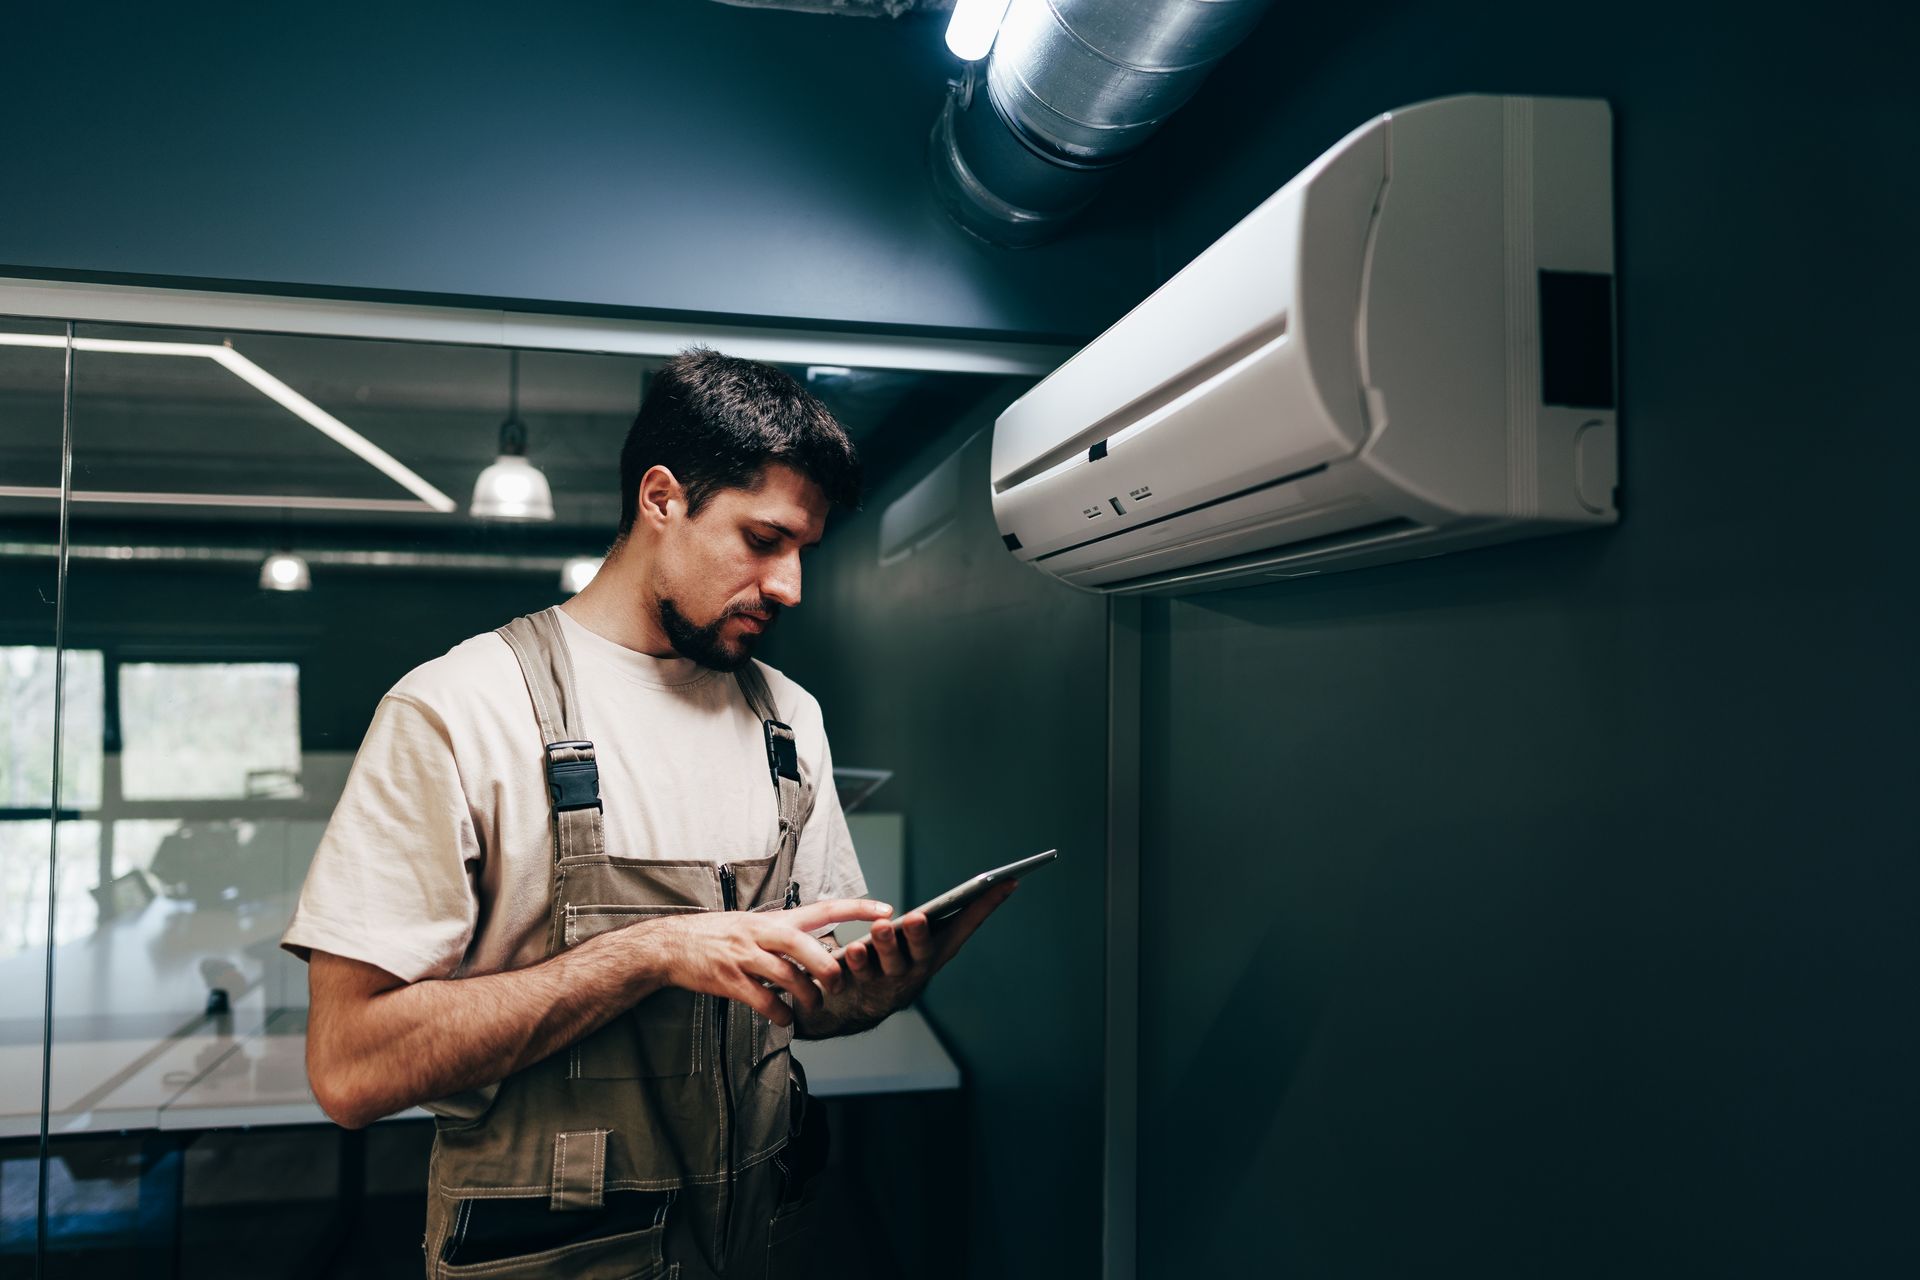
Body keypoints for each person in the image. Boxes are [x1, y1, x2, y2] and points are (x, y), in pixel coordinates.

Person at [283, 348, 1014, 1279]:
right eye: (762, 540)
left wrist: (863, 997)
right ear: (662, 498)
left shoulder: (789, 718)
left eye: (804, 552)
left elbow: (803, 1005)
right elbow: (347, 1070)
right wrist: (648, 951)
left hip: (761, 1238)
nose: (791, 587)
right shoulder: (458, 709)